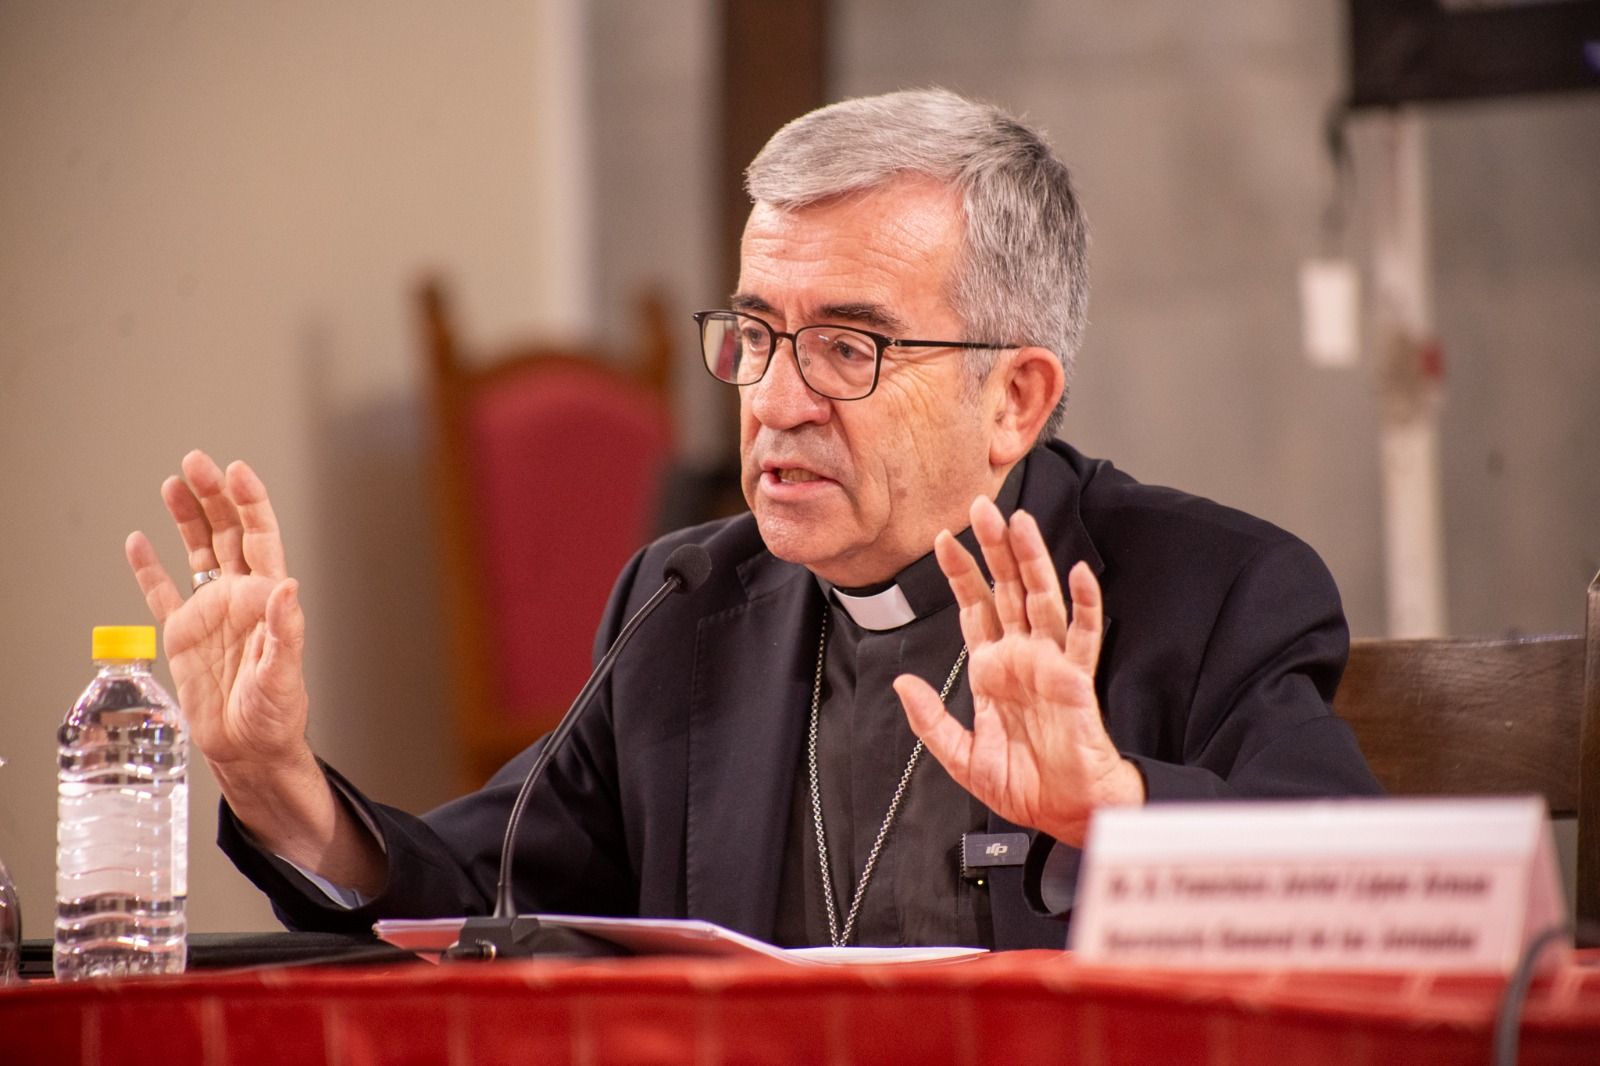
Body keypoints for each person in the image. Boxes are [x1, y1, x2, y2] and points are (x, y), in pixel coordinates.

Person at [125, 89, 1380, 951]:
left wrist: (1112, 806)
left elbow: (1358, 902)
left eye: (845, 345)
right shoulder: (685, 607)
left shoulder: (1210, 593)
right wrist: (277, 784)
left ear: (1015, 398)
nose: (773, 401)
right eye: (756, 334)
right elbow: (482, 892)